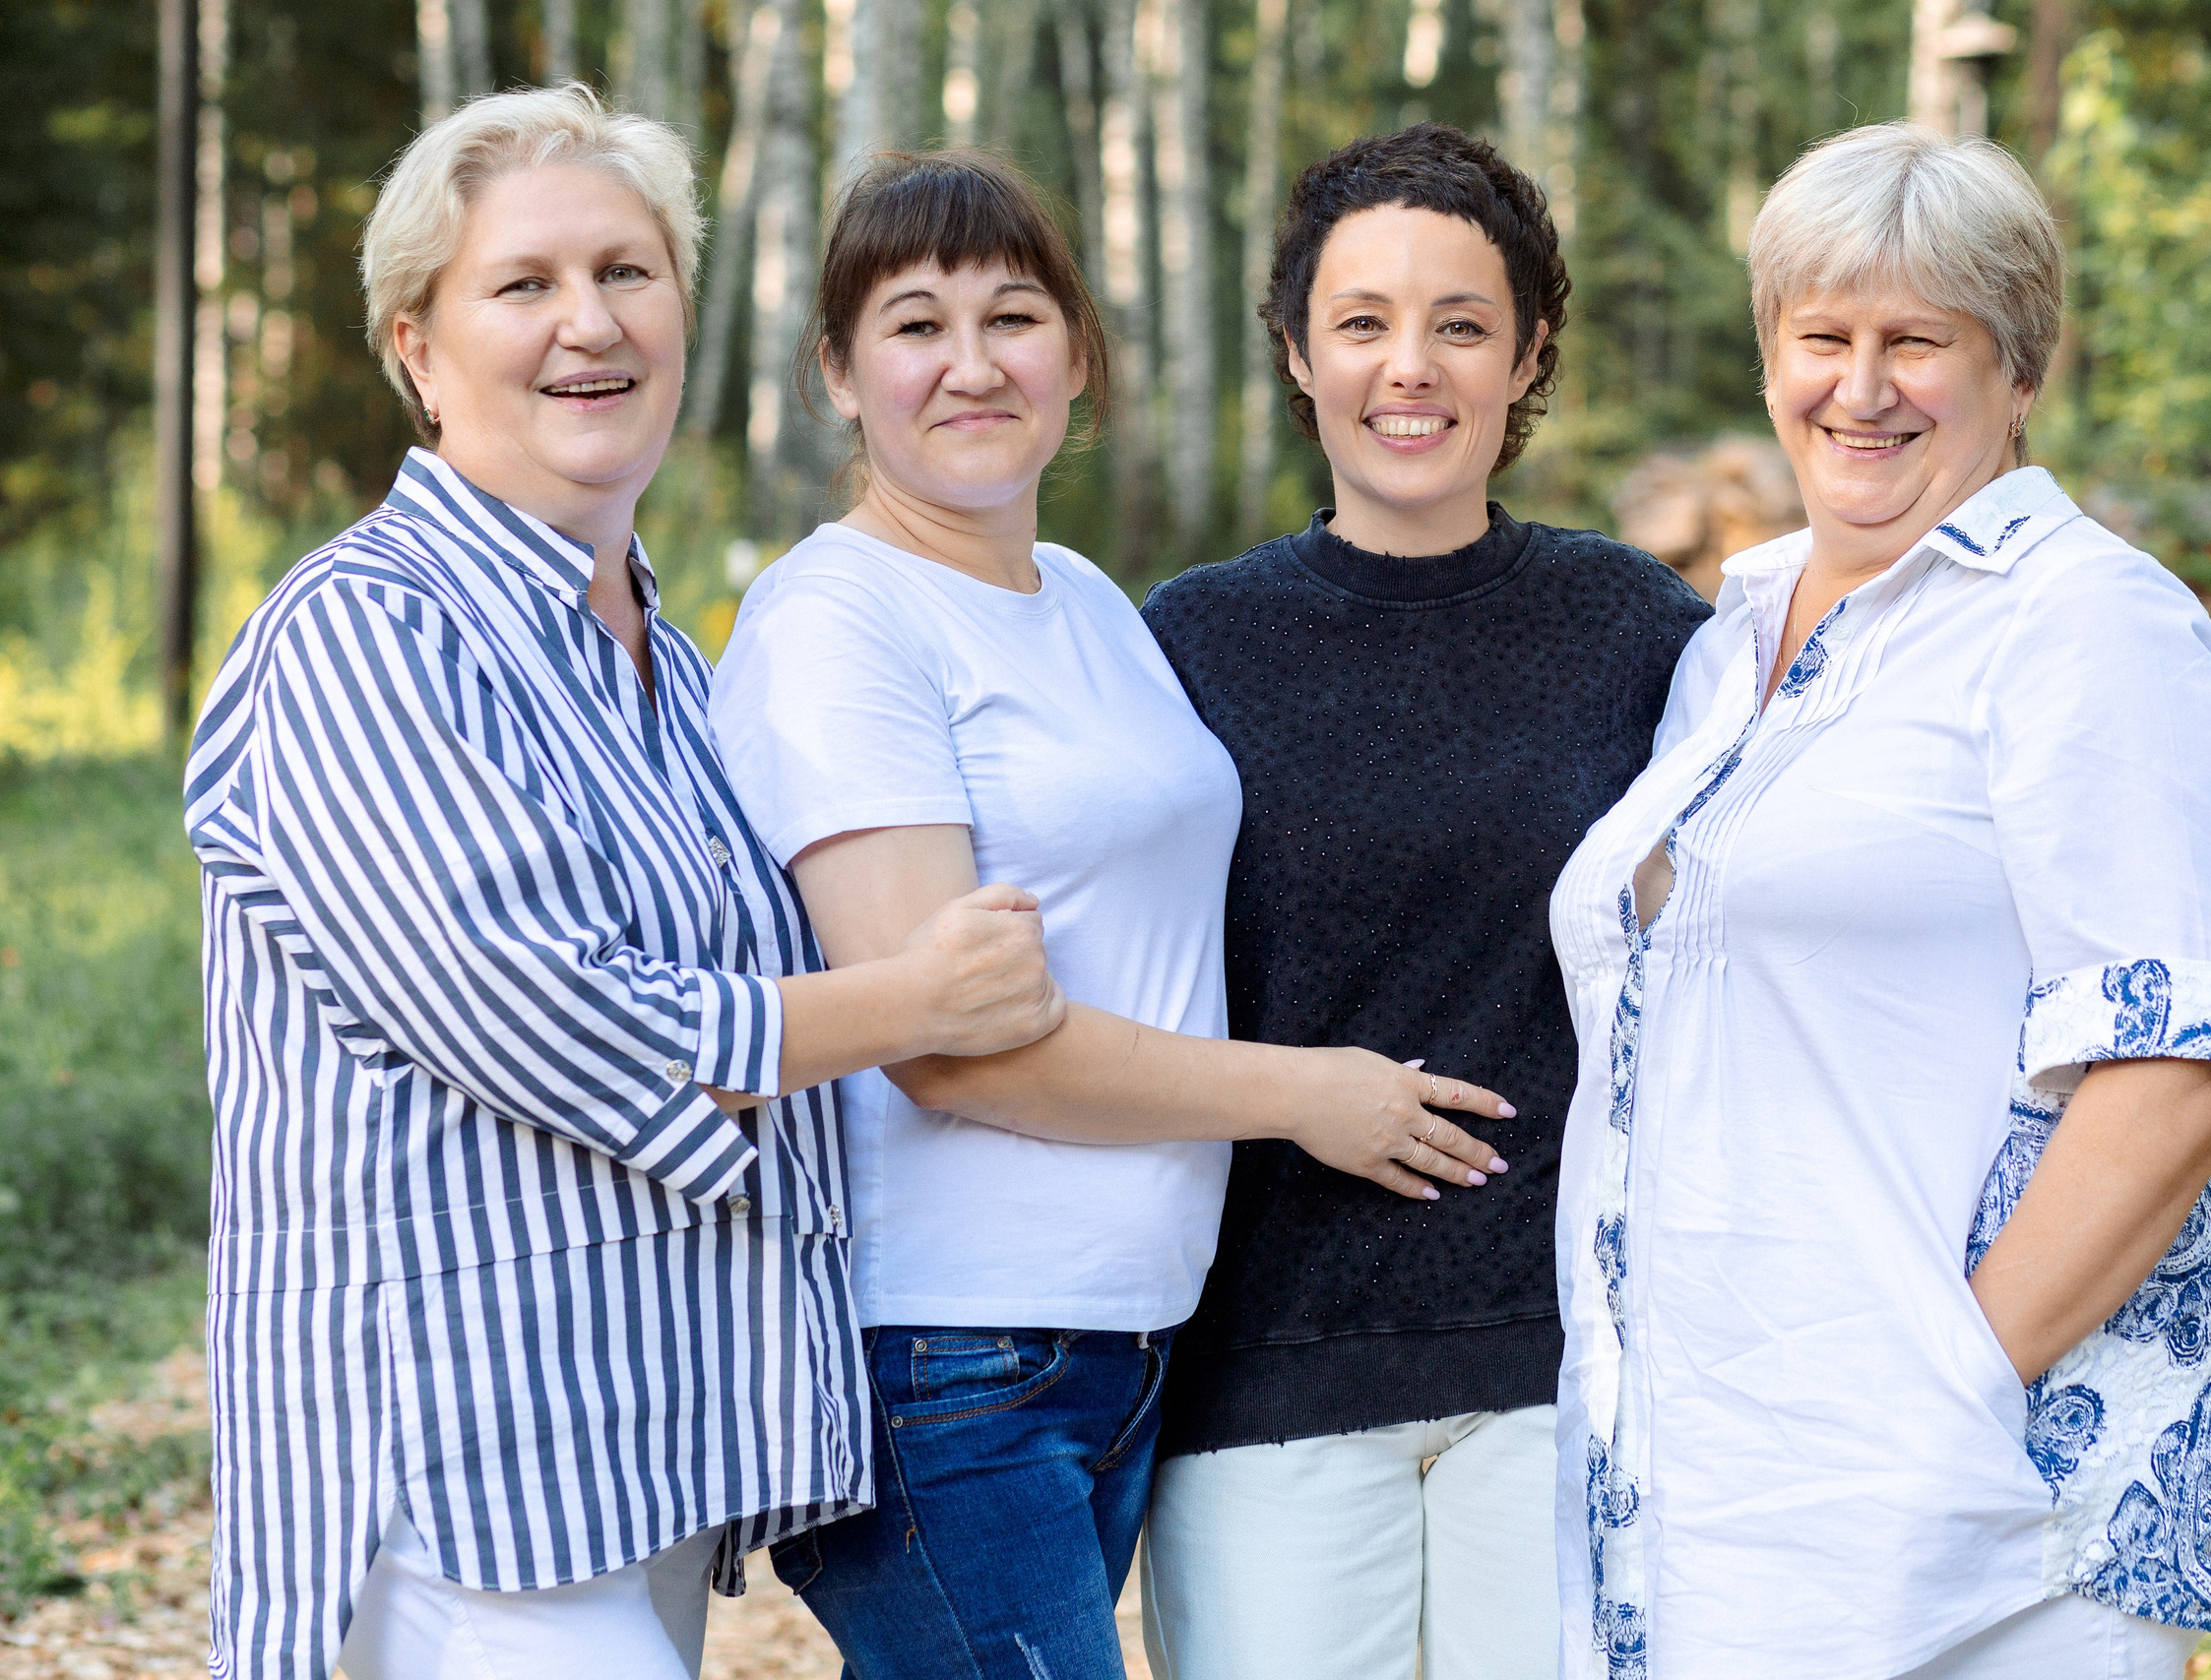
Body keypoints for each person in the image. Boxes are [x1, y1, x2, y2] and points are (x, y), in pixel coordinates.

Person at [183, 88, 1069, 1680]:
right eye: (523, 285)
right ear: (417, 349)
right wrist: (916, 1002)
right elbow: (550, 1014)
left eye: (626, 273)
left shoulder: (659, 662)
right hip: (457, 1488)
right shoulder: (364, 633)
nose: (588, 324)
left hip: (629, 1463)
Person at [704, 151, 1513, 1680]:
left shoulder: (1081, 598)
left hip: (1121, 1343)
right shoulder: (837, 621)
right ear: (840, 373)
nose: (972, 365)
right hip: (945, 1354)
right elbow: (946, 1048)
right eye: (915, 325)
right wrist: (1306, 1095)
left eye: (1013, 317)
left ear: (1077, 355)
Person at [1548, 122, 2211, 1680]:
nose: (1862, 388)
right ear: (1770, 357)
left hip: (1974, 1527)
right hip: (1721, 1481)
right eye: (1824, 337)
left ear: (2019, 372)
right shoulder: (1728, 642)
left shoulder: (2087, 626)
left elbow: (2183, 1068)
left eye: (1919, 343)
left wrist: (1940, 1396)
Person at [1134, 123, 1710, 1680]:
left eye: (1461, 324)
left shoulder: (1639, 630)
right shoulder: (1185, 644)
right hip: (1270, 1379)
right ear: (1297, 351)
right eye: (1363, 322)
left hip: (1568, 1370)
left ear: (1527, 356)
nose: (1412, 367)